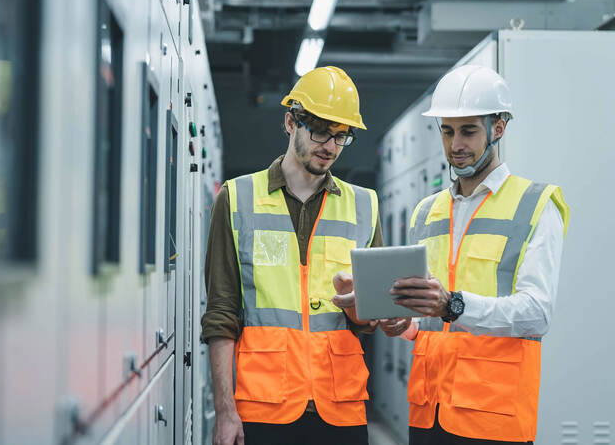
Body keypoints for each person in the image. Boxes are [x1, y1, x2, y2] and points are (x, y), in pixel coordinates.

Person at [333, 65, 570, 444]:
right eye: (447, 131)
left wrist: (454, 305)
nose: (456, 144)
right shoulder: (427, 212)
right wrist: (400, 323)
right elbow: (428, 322)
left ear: (498, 128)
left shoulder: (536, 205)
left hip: (493, 417)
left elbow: (536, 314)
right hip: (429, 414)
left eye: (468, 131)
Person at [201, 66, 384, 445]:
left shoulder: (364, 205)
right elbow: (221, 313)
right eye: (319, 130)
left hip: (341, 408)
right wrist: (224, 411)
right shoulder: (237, 199)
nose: (329, 146)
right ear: (290, 122)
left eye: (340, 136)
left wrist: (359, 308)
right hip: (264, 406)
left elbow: (371, 321)